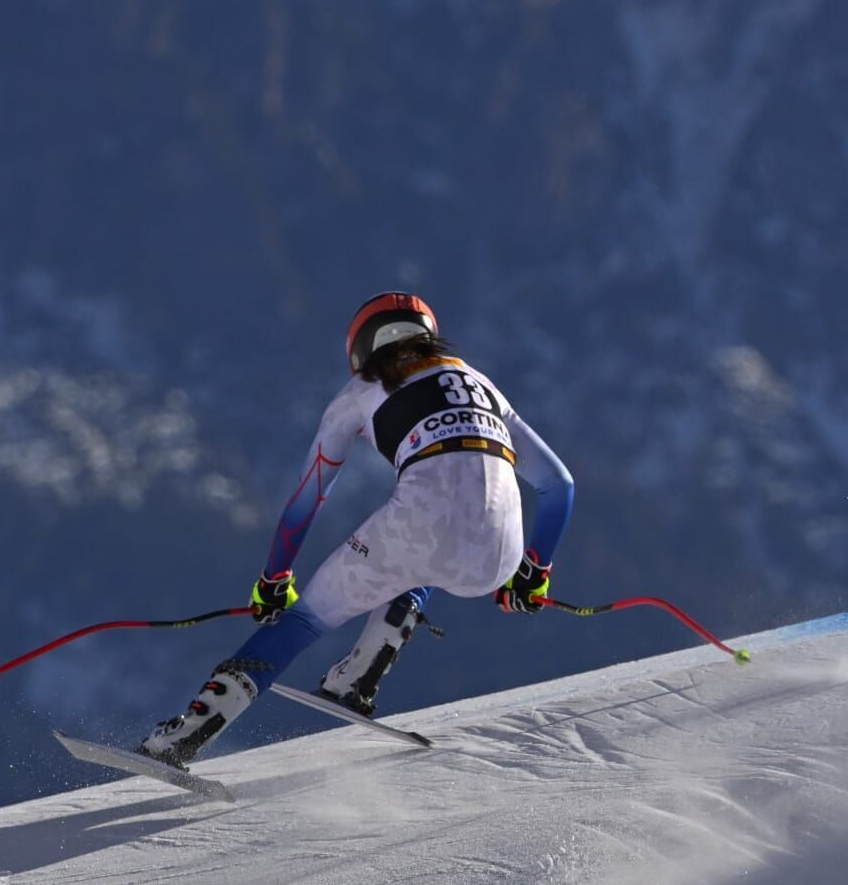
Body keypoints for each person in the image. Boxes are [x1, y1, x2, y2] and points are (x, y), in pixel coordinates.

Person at [139, 291, 575, 767]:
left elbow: (307, 499)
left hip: (417, 525)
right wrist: (532, 573)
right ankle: (360, 674)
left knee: (305, 620)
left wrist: (274, 579)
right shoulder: (482, 385)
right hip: (501, 549)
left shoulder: (360, 392)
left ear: (361, 349)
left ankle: (190, 734)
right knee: (421, 567)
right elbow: (559, 484)